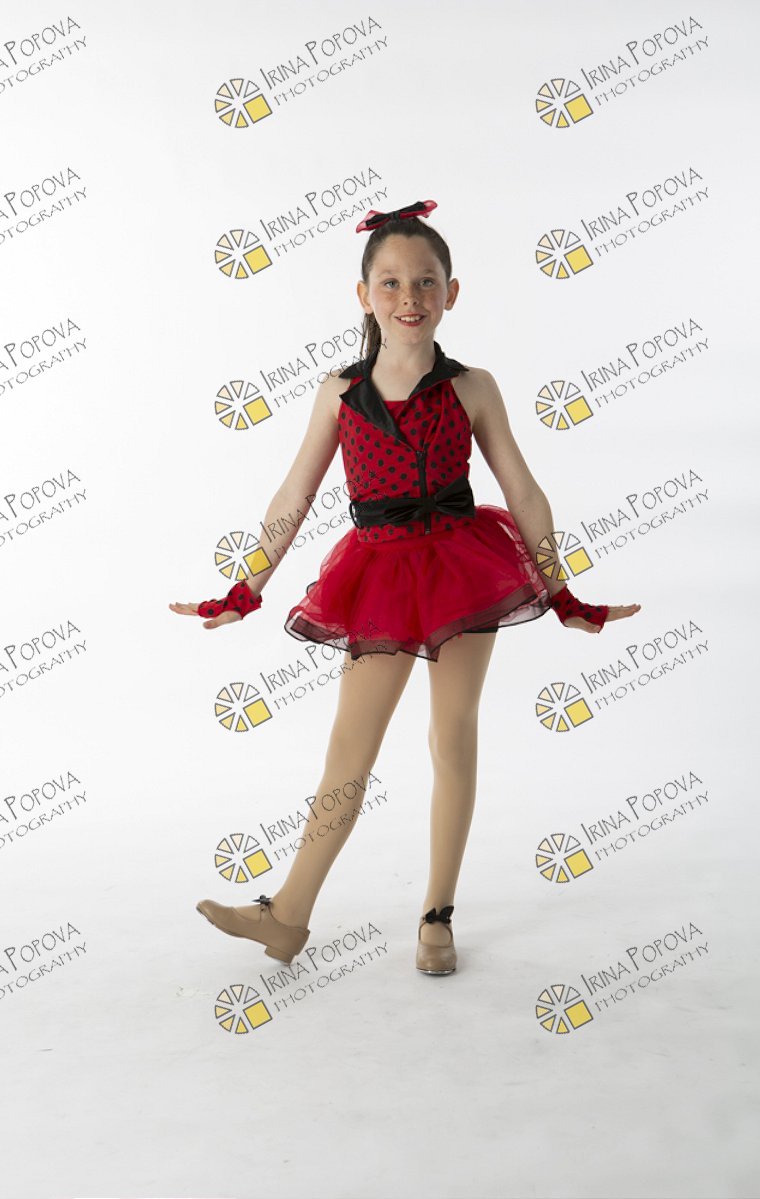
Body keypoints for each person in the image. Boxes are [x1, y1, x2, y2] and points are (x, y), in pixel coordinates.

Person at [169, 200, 641, 976]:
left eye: (425, 280)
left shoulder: (473, 387)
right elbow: (292, 495)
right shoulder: (338, 393)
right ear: (364, 295)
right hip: (379, 575)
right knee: (347, 752)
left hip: (463, 571)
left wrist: (562, 594)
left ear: (451, 293)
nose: (409, 296)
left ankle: (436, 913)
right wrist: (245, 588)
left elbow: (524, 491)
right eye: (389, 282)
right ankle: (288, 914)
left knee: (451, 735)